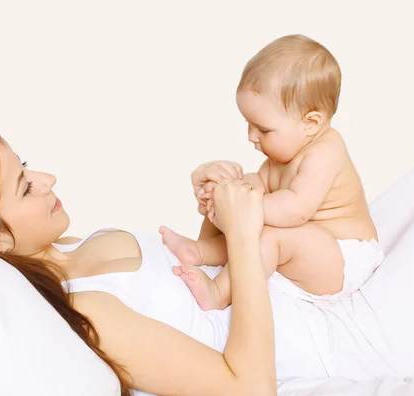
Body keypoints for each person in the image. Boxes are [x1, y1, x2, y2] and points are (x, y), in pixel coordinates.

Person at [0, 126, 277, 396]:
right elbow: (249, 388)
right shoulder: (88, 310)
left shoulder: (68, 244)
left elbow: (198, 292)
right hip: (302, 345)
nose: (47, 178)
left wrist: (215, 206)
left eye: (27, 165)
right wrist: (241, 236)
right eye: (26, 186)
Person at [160, 34, 383, 311]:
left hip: (341, 259)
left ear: (311, 123)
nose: (251, 136)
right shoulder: (282, 154)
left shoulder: (326, 151)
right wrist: (224, 187)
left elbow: (296, 208)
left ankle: (219, 292)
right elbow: (260, 193)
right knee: (244, 192)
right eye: (248, 124)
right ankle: (201, 251)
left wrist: (240, 205)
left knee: (267, 231)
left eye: (263, 129)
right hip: (308, 247)